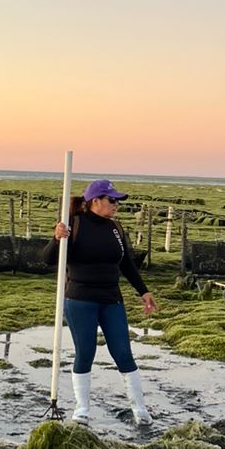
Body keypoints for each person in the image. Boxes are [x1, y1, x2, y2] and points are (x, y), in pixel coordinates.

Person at [49, 179, 159, 425]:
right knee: (85, 353)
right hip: (80, 299)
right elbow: (47, 259)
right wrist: (56, 239)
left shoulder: (116, 228)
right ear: (95, 201)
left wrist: (144, 292)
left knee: (123, 353)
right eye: (112, 200)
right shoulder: (73, 225)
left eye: (117, 200)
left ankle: (140, 410)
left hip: (111, 299)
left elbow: (126, 264)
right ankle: (82, 410)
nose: (116, 204)